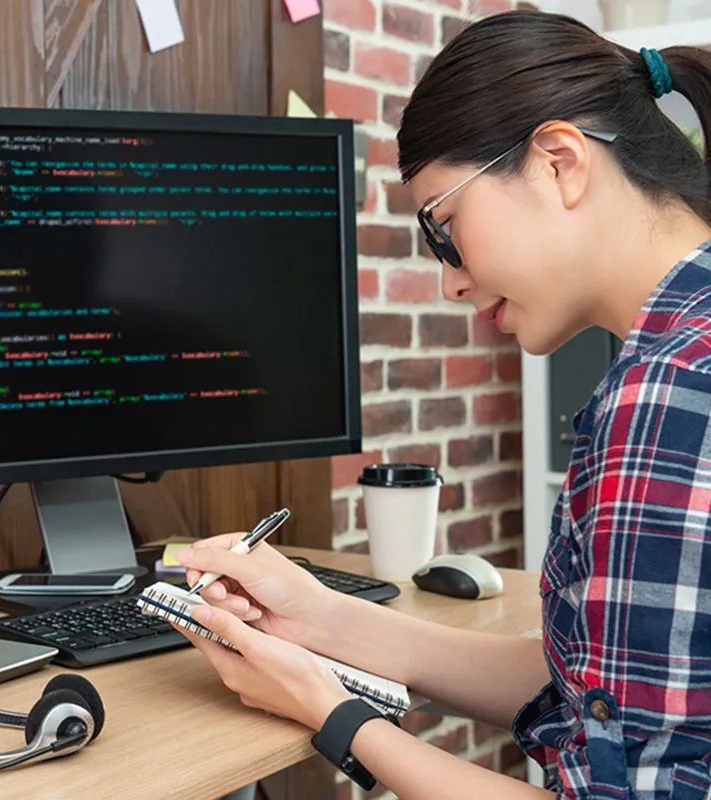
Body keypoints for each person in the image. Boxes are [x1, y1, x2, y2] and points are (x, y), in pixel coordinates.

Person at [174, 9, 711, 799]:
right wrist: (317, 617)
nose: (452, 280)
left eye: (445, 225)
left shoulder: (668, 393)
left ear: (560, 161)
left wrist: (333, 712)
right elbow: (602, 688)